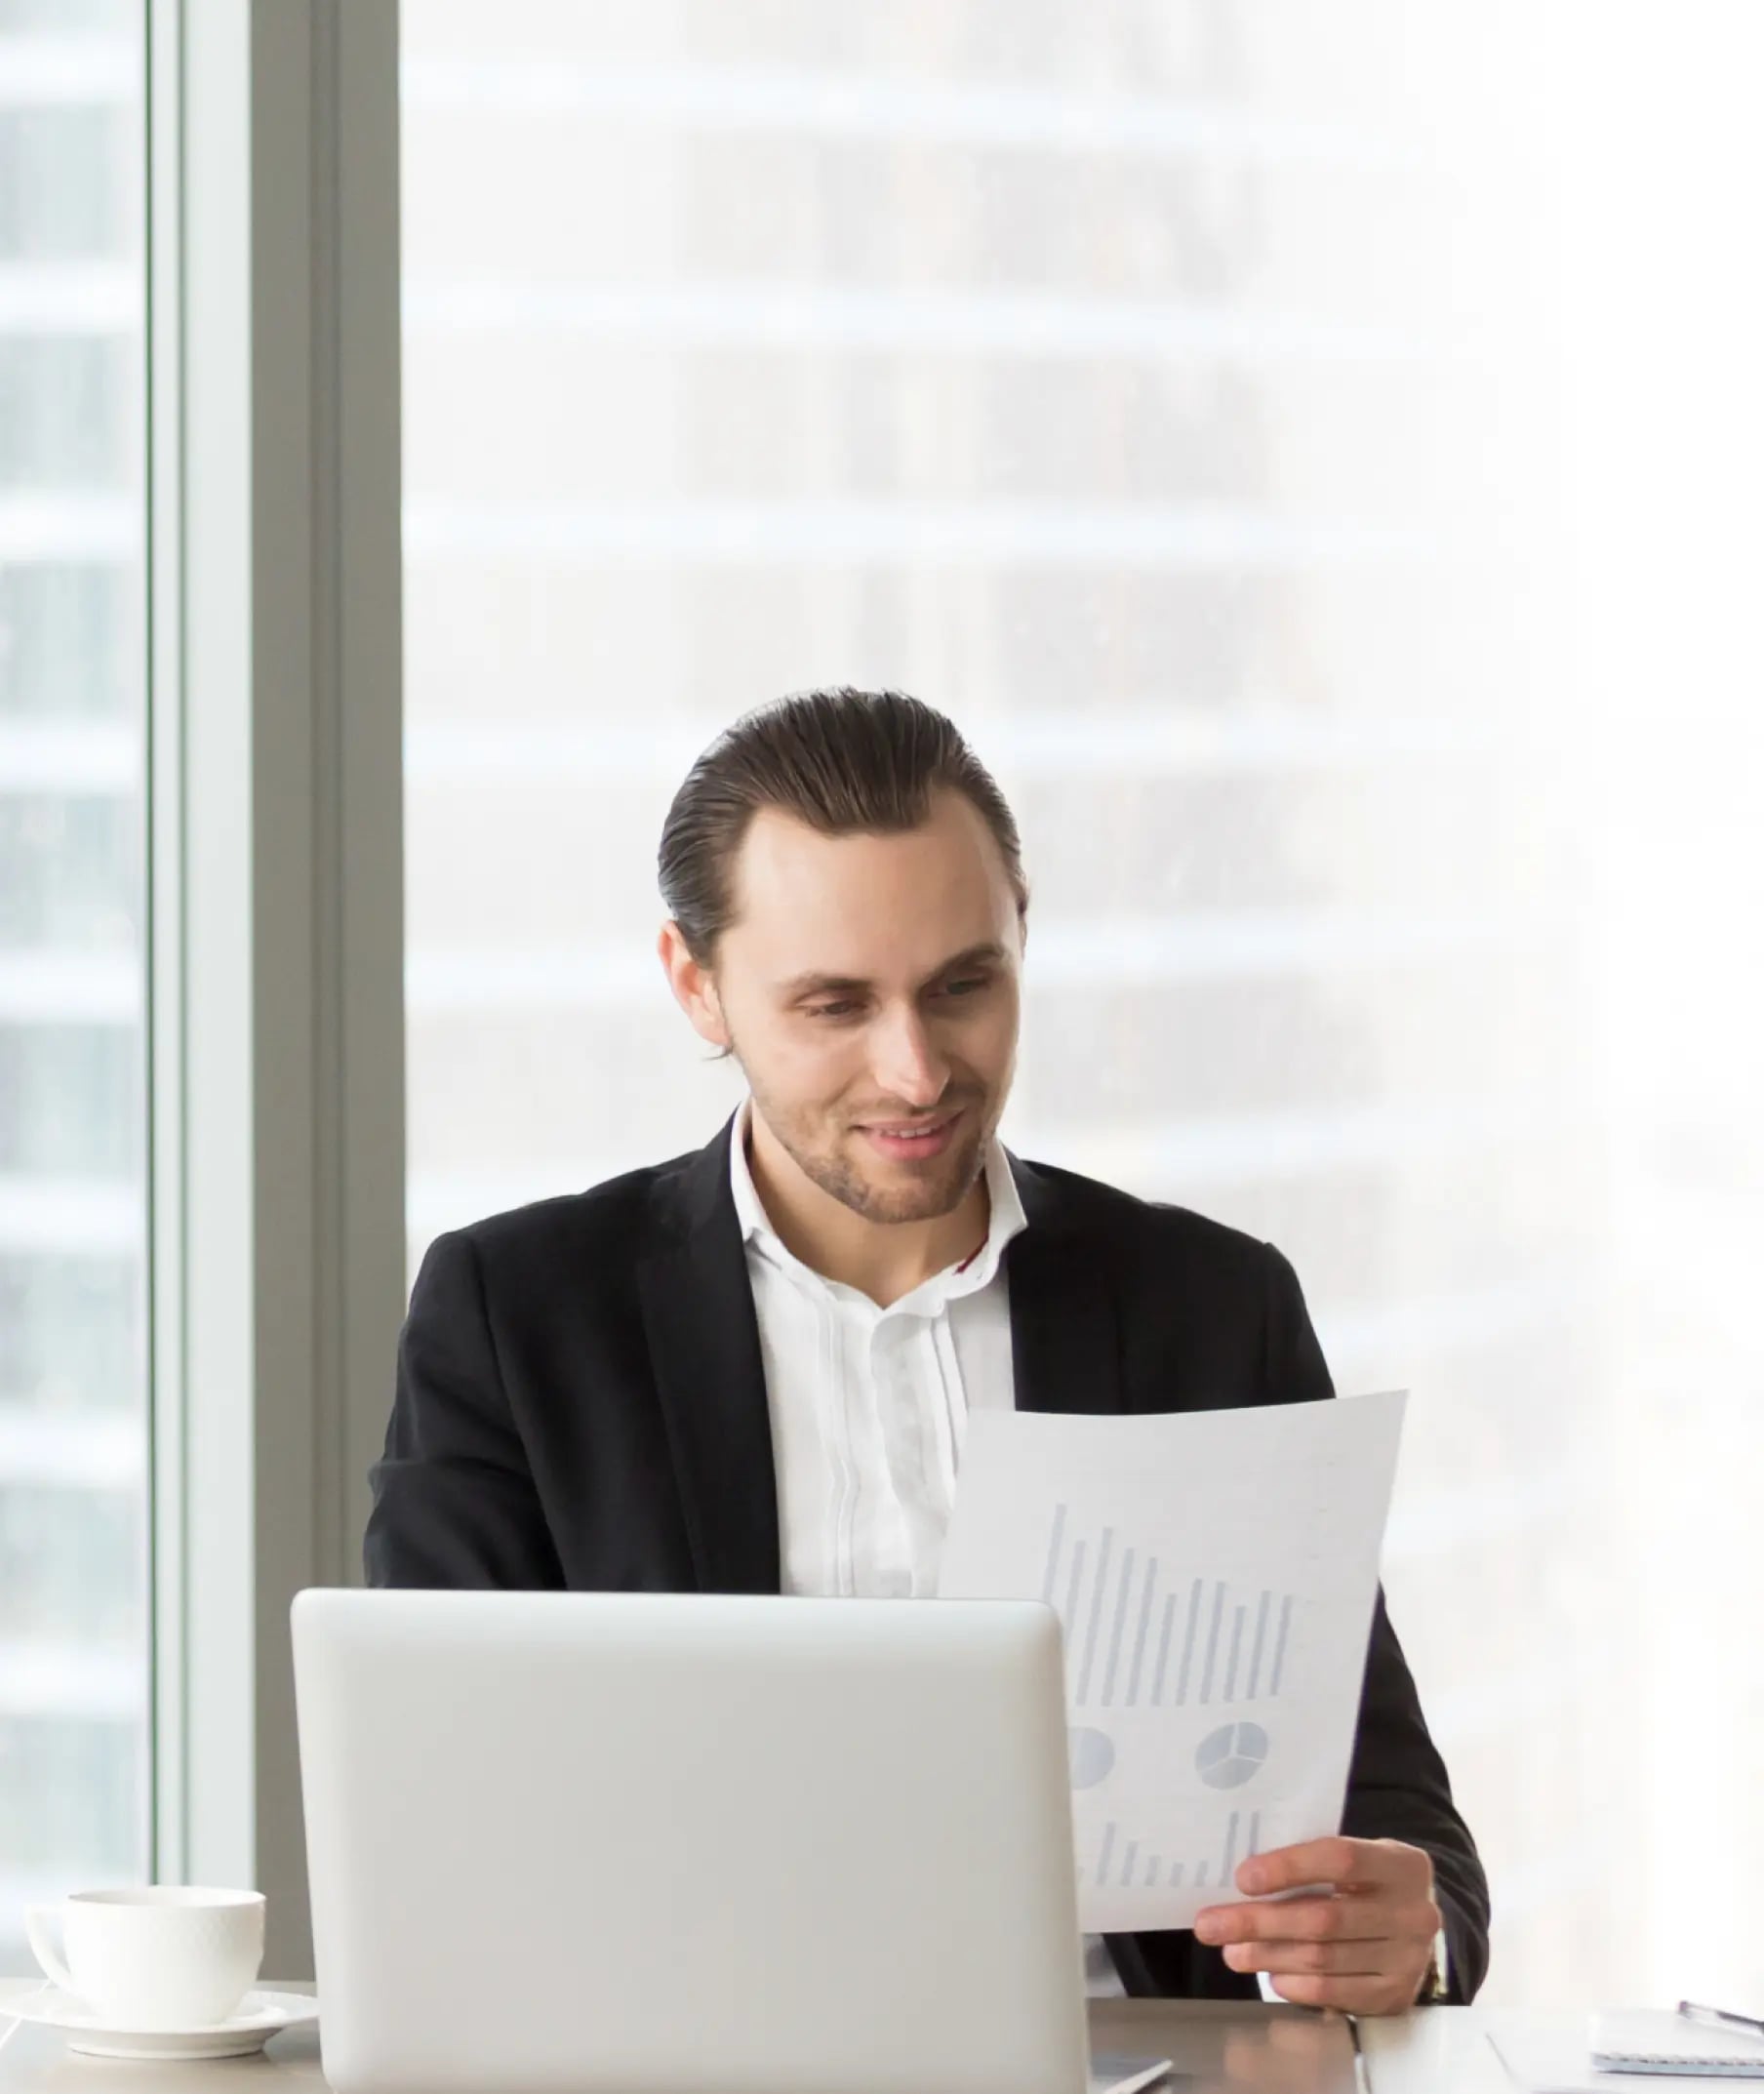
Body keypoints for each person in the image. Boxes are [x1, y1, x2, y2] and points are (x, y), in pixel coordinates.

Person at [367, 687, 1490, 2013]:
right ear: (695, 985)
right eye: (834, 1005)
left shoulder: (1211, 1308)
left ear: (1022, 933)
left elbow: (1394, 1815)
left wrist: (1410, 1931)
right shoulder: (517, 1317)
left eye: (963, 985)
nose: (915, 1072)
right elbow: (442, 1836)